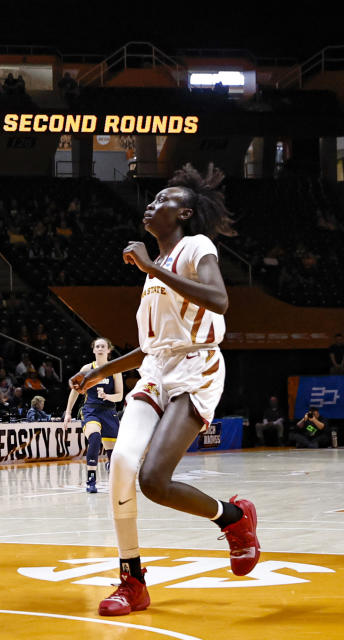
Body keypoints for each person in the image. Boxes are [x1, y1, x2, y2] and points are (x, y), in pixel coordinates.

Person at [67, 164, 259, 617]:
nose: (151, 205)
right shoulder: (154, 276)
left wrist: (151, 265)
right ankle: (132, 580)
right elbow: (152, 348)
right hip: (157, 369)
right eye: (151, 200)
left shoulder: (196, 247)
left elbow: (218, 300)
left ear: (186, 213)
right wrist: (101, 372)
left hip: (197, 366)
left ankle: (234, 520)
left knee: (154, 480)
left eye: (164, 200)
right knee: (121, 463)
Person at [64, 337, 124, 493]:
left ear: (108, 350)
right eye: (97, 346)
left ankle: (111, 468)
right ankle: (91, 480)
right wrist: (68, 412)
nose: (100, 348)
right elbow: (75, 391)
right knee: (95, 437)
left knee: (114, 453)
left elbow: (119, 396)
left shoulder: (114, 369)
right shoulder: (86, 368)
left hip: (109, 410)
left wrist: (107, 396)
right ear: (93, 350)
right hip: (90, 410)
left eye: (103, 346)